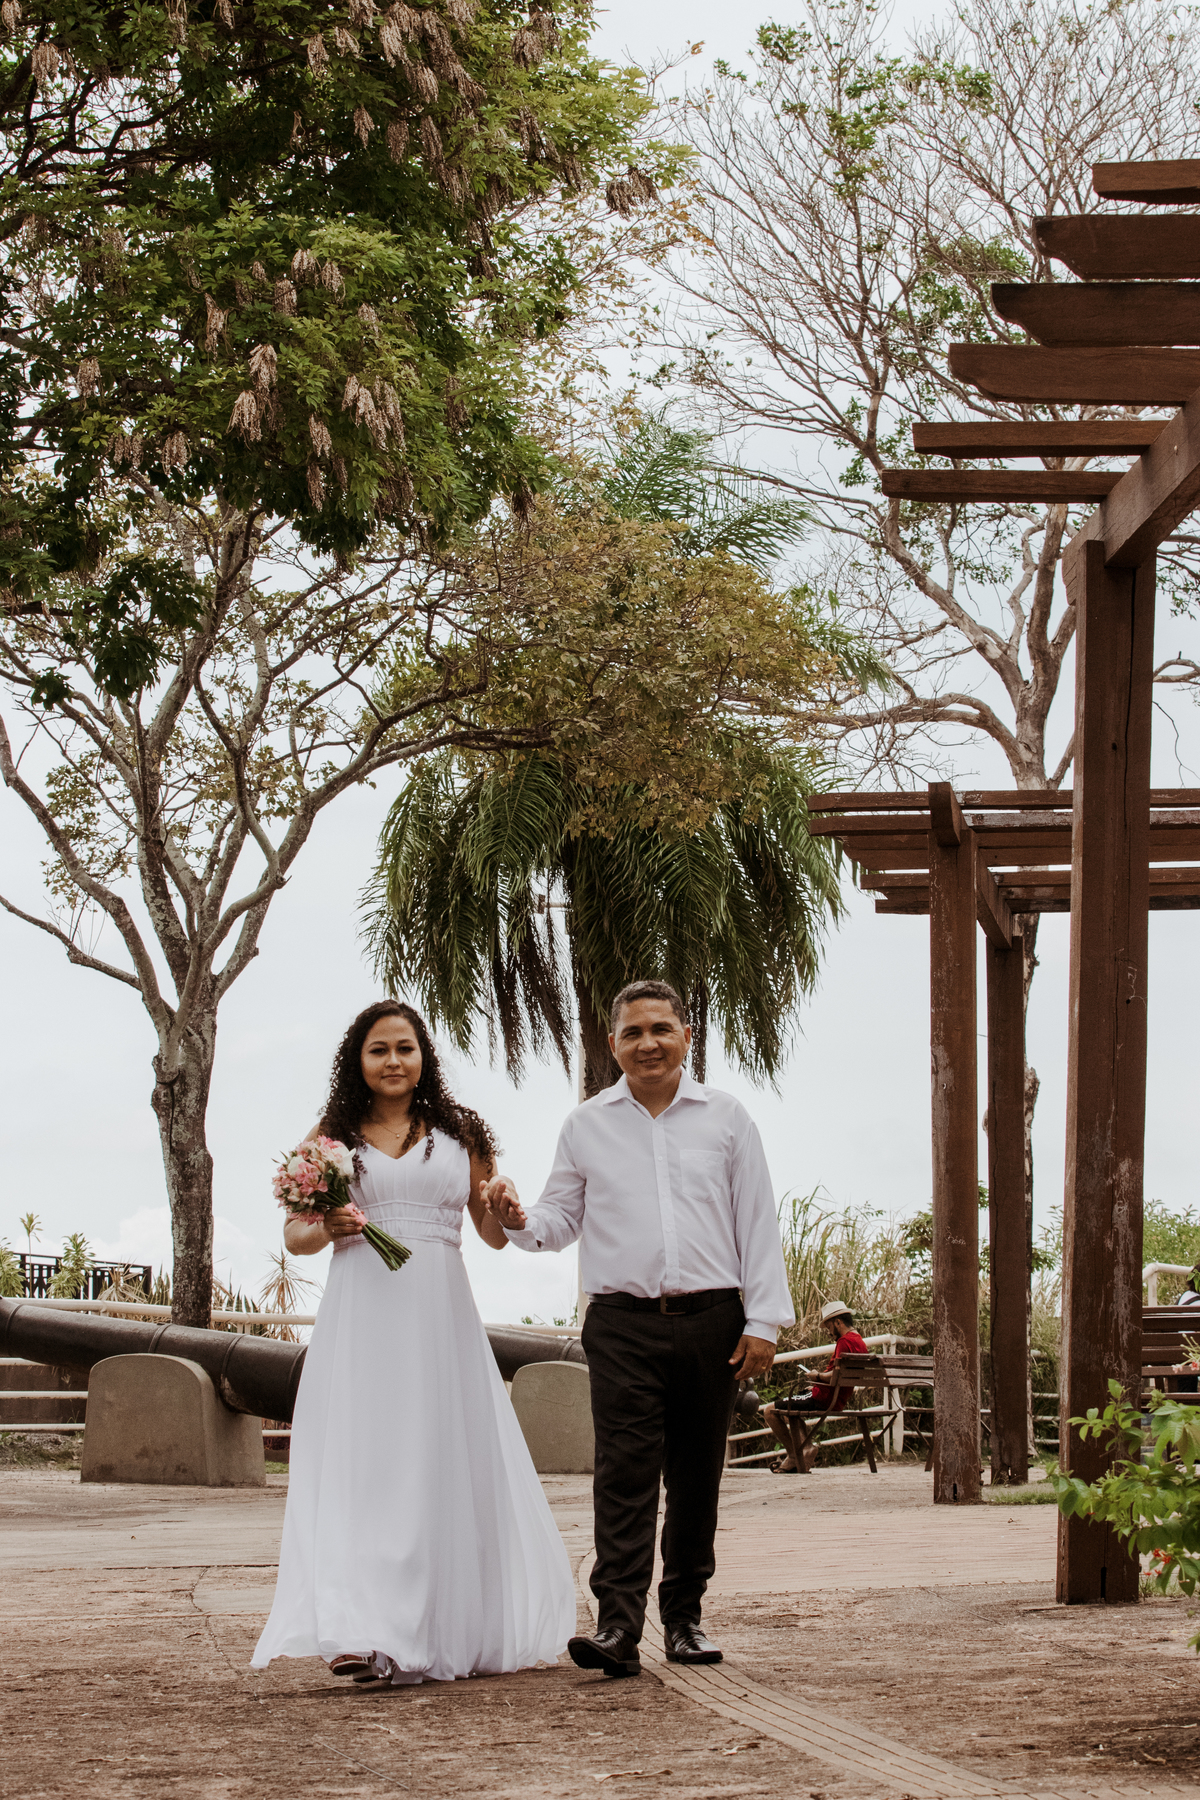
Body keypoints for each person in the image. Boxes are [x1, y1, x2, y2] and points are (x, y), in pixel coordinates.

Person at [251, 1001, 575, 1686]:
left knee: (433, 1458)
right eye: (379, 1049)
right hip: (361, 1309)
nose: (394, 1060)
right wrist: (332, 1223)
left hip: (438, 1310)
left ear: (424, 1055)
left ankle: (433, 1623)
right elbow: (296, 1237)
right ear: (357, 1061)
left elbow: (490, 1233)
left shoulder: (462, 1131)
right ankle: (354, 1629)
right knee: (363, 1461)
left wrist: (504, 1205)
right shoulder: (332, 1134)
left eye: (405, 1047)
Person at [484, 978, 793, 1680]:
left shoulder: (727, 1119)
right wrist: (515, 1216)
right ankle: (618, 1626)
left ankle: (684, 1617)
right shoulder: (585, 1125)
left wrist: (763, 1320)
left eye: (661, 1028)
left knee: (694, 1476)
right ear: (613, 1043)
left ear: (687, 1036)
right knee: (623, 1476)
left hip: (713, 1320)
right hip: (620, 1323)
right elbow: (557, 1224)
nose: (647, 1043)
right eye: (632, 1032)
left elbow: (757, 1222)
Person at [763, 1302, 869, 1473]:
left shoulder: (844, 1341)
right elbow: (841, 1374)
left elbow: (835, 1376)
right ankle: (805, 1450)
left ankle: (794, 1455)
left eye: (829, 1326)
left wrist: (816, 1376)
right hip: (838, 1398)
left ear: (837, 1322)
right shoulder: (859, 1341)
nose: (828, 1331)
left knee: (769, 1410)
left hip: (825, 1397)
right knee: (792, 1405)